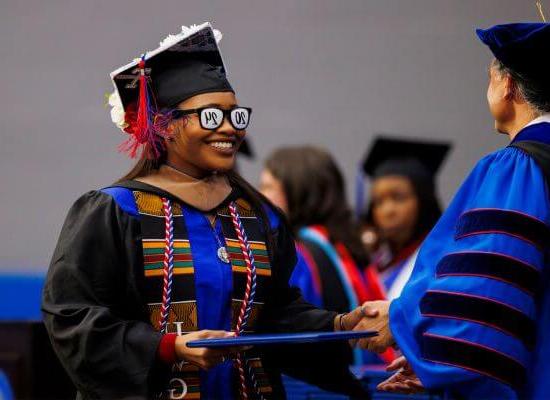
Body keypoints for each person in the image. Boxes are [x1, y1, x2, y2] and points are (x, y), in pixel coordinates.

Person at [41, 23, 369, 400]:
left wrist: (343, 324)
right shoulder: (117, 210)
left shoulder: (259, 216)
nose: (229, 128)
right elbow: (71, 317)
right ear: (165, 126)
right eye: (211, 116)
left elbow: (275, 315)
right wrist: (169, 347)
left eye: (236, 115)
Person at [355, 23, 550, 399]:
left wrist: (403, 324)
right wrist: (434, 361)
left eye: (489, 77)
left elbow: (486, 293)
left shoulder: (517, 169)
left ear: (507, 86)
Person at [261, 146, 384, 312]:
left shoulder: (299, 253)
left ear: (298, 190)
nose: (260, 195)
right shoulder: (345, 245)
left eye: (268, 187)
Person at [361, 137, 450, 300]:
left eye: (398, 198)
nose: (388, 210)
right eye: (378, 202)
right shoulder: (374, 261)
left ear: (423, 201)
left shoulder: (441, 259)